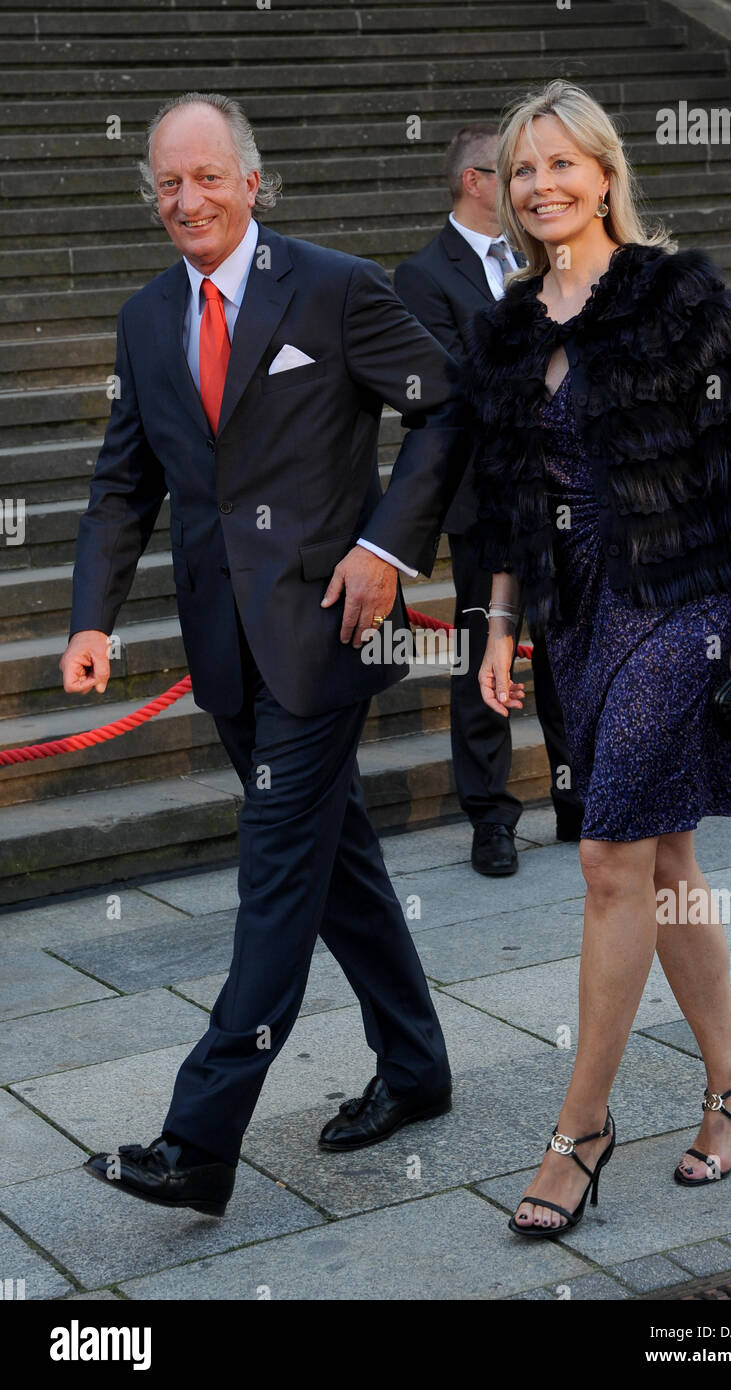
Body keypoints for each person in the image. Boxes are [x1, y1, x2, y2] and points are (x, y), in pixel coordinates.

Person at [59, 91, 468, 1218]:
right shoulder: (147, 318)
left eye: (204, 177)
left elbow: (446, 407)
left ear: (251, 181)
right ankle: (419, 1067)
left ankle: (198, 1138)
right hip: (223, 647)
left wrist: (389, 542)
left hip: (325, 632)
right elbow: (122, 480)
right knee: (338, 864)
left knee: (275, 878)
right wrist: (92, 616)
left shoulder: (331, 287)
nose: (185, 200)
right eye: (166, 185)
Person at [461, 80, 731, 1239]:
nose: (541, 184)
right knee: (663, 865)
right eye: (521, 170)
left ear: (604, 171)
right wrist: (499, 627)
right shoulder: (508, 324)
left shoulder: (671, 292)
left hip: (678, 590)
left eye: (560, 163)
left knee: (610, 858)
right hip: (570, 614)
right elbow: (505, 497)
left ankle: (578, 1130)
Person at [394, 125, 584, 878]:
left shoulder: (550, 258)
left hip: (571, 492)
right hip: (484, 498)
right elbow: (447, 390)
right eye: (514, 172)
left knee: (568, 650)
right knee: (484, 654)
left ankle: (581, 801)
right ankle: (491, 819)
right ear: (478, 181)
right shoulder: (421, 276)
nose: (532, 187)